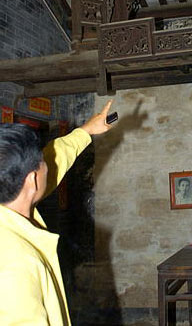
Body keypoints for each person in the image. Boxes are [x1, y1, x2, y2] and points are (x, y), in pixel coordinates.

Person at [0, 100, 114, 325]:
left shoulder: (15, 205)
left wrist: (85, 132)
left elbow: (57, 159)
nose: (48, 165)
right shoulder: (16, 265)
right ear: (32, 180)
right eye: (42, 162)